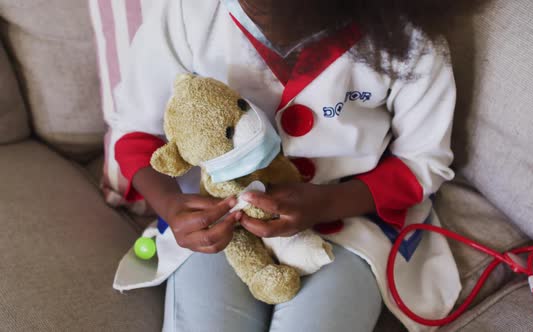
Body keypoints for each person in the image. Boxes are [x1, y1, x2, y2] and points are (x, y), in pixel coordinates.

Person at [111, 0, 479, 331]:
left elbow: (421, 162)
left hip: (350, 219)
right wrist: (172, 206)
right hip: (218, 216)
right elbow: (137, 135)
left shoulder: (411, 39)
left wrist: (326, 203)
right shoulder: (184, 14)